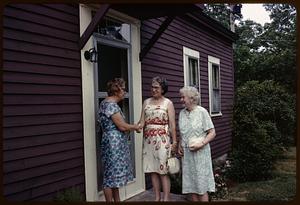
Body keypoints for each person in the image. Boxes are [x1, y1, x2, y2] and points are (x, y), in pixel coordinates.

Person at [98, 78, 140, 202]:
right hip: (113, 144)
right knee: (110, 178)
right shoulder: (110, 105)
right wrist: (135, 126)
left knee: (113, 176)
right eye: (123, 89)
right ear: (117, 91)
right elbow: (121, 126)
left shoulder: (107, 104)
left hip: (113, 142)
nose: (125, 92)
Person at [137, 76, 177, 201]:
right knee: (152, 170)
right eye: (152, 87)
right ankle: (157, 197)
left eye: (156, 87)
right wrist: (130, 127)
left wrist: (174, 142)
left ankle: (166, 198)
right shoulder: (146, 102)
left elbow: (172, 125)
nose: (153, 89)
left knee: (163, 170)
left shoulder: (168, 103)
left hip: (163, 140)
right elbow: (141, 122)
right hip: (148, 140)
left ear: (163, 89)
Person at [177, 86, 216, 202]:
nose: (181, 100)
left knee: (201, 187)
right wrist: (180, 144)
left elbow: (212, 132)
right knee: (191, 187)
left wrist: (201, 143)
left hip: (200, 154)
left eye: (183, 97)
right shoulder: (182, 113)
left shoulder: (202, 112)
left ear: (192, 99)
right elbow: (183, 132)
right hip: (187, 155)